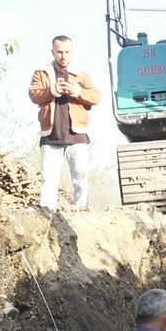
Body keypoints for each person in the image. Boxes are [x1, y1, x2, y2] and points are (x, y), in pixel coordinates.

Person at [28, 35, 101, 210]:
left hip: (77, 135)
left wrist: (77, 91)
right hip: (51, 135)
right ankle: (47, 213)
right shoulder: (42, 72)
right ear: (52, 51)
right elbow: (33, 94)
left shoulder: (80, 73)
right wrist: (52, 90)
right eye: (59, 52)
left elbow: (96, 96)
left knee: (81, 177)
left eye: (67, 52)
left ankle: (82, 212)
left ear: (72, 52)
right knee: (48, 179)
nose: (63, 56)